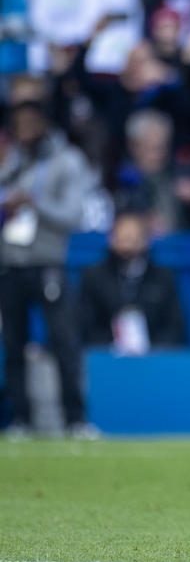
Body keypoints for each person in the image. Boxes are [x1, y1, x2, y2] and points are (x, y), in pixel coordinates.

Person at [0, 101, 95, 438]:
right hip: (10, 263)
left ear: (44, 124)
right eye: (18, 124)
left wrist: (33, 202)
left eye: (30, 123)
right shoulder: (10, 160)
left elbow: (73, 216)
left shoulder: (66, 161)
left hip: (47, 262)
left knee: (63, 342)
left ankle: (76, 419)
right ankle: (20, 420)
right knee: (13, 345)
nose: (24, 131)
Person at [79, 212, 186, 354]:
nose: (127, 248)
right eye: (122, 240)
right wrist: (114, 346)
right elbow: (85, 324)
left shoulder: (162, 277)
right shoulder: (94, 276)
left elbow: (175, 326)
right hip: (107, 358)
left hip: (153, 359)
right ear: (112, 239)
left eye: (133, 240)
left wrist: (151, 348)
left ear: (145, 241)